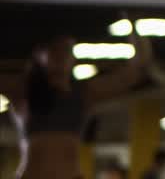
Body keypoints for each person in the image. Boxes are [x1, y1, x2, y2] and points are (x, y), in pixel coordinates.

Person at [0, 33, 152, 179]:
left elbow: (135, 72)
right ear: (39, 54)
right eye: (55, 50)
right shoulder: (23, 89)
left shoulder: (84, 91)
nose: (61, 56)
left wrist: (134, 25)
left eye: (66, 51)